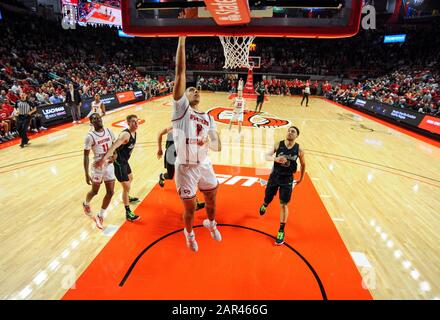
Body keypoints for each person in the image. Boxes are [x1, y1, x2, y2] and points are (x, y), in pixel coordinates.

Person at [172, 35, 222, 252]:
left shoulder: (208, 117)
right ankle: (189, 234)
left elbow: (217, 145)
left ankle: (211, 223)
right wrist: (182, 39)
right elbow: (180, 72)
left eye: (196, 90)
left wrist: (211, 140)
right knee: (190, 208)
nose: (195, 91)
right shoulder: (181, 109)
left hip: (204, 163)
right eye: (191, 89)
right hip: (185, 167)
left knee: (211, 200)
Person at [259, 126, 306, 245]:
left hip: (288, 179)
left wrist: (301, 178)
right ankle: (265, 204)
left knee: (284, 204)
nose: (290, 133)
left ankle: (281, 230)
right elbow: (266, 156)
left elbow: (303, 164)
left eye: (293, 131)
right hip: (275, 176)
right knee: (268, 197)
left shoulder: (299, 149)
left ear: (297, 136)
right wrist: (276, 158)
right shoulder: (278, 144)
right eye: (289, 131)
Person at [96, 114, 140, 222]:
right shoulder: (125, 134)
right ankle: (128, 212)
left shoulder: (134, 133)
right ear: (128, 123)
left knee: (130, 178)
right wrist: (104, 159)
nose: (136, 123)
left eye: (137, 121)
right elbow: (114, 146)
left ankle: (126, 197)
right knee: (126, 187)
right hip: (119, 163)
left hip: (125, 161)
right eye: (133, 121)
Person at [157, 125, 206, 211]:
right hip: (170, 155)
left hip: (181, 156)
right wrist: (159, 149)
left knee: (187, 177)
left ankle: (196, 202)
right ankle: (162, 176)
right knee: (170, 175)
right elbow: (160, 133)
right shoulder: (172, 127)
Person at [83, 113, 116, 230]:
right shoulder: (89, 136)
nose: (97, 120)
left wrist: (114, 156)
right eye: (94, 119)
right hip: (97, 167)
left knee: (111, 192)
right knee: (95, 191)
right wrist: (86, 174)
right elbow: (86, 156)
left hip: (109, 166)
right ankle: (86, 203)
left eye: (98, 118)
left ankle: (100, 215)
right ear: (91, 122)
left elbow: (114, 147)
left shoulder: (109, 131)